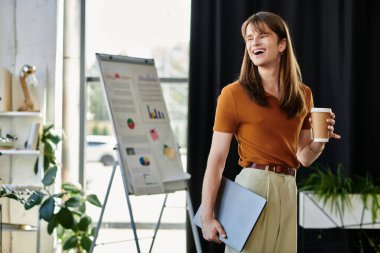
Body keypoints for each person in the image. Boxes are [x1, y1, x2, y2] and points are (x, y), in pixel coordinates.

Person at [199, 11, 341, 253]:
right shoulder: (233, 94)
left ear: (282, 44)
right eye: (249, 37)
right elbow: (217, 159)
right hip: (253, 187)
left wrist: (320, 141)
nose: (254, 42)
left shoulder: (303, 94)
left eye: (263, 36)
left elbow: (303, 157)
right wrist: (207, 215)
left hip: (288, 187)